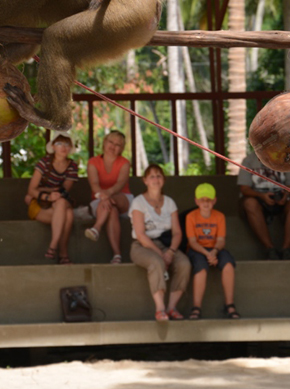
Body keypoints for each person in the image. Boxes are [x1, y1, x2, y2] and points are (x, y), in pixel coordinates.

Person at [129, 164, 191, 321]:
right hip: (142, 245)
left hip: (166, 244)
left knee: (184, 263)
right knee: (156, 262)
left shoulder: (170, 202)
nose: (155, 179)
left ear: (163, 180)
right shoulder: (139, 202)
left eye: (158, 176)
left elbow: (177, 232)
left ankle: (172, 307)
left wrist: (170, 252)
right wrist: (161, 254)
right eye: (152, 176)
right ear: (145, 180)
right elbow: (141, 235)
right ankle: (160, 309)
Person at [186, 183, 240, 320]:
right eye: (202, 200)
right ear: (196, 201)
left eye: (209, 200)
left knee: (228, 264)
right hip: (198, 249)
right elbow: (192, 242)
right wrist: (207, 254)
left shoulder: (219, 216)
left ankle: (229, 305)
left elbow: (221, 240)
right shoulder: (191, 217)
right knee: (201, 268)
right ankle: (196, 307)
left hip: (215, 249)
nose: (206, 203)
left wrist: (214, 252)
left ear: (214, 201)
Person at [237, 151, 290, 260]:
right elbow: (244, 189)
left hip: (281, 200)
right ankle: (270, 249)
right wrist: (261, 196)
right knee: (250, 203)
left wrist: (285, 195)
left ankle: (286, 249)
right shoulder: (249, 160)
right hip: (258, 200)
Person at [25, 133, 77, 265]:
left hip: (59, 203)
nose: (63, 147)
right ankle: (62, 254)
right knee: (68, 214)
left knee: (63, 206)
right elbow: (31, 190)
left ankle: (53, 247)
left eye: (66, 144)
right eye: (59, 143)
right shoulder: (44, 162)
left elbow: (64, 190)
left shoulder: (72, 165)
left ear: (71, 147)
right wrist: (48, 194)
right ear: (53, 146)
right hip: (41, 205)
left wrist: (53, 194)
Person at [85, 130, 133, 264]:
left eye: (118, 144)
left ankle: (97, 228)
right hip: (100, 200)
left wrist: (107, 195)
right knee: (112, 211)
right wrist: (103, 196)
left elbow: (120, 184)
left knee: (114, 201)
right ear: (104, 142)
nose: (113, 146)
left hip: (122, 198)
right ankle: (117, 255)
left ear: (121, 149)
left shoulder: (124, 163)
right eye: (111, 142)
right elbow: (94, 184)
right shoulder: (93, 162)